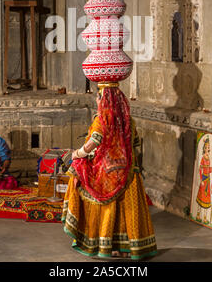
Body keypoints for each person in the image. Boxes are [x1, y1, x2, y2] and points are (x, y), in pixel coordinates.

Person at [62, 84, 157, 260]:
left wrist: (75, 154)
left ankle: (98, 242)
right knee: (125, 210)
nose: (96, 101)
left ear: (103, 100)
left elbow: (92, 144)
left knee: (76, 175)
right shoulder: (129, 120)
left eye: (98, 98)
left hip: (106, 174)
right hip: (128, 172)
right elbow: (135, 145)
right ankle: (126, 248)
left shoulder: (102, 119)